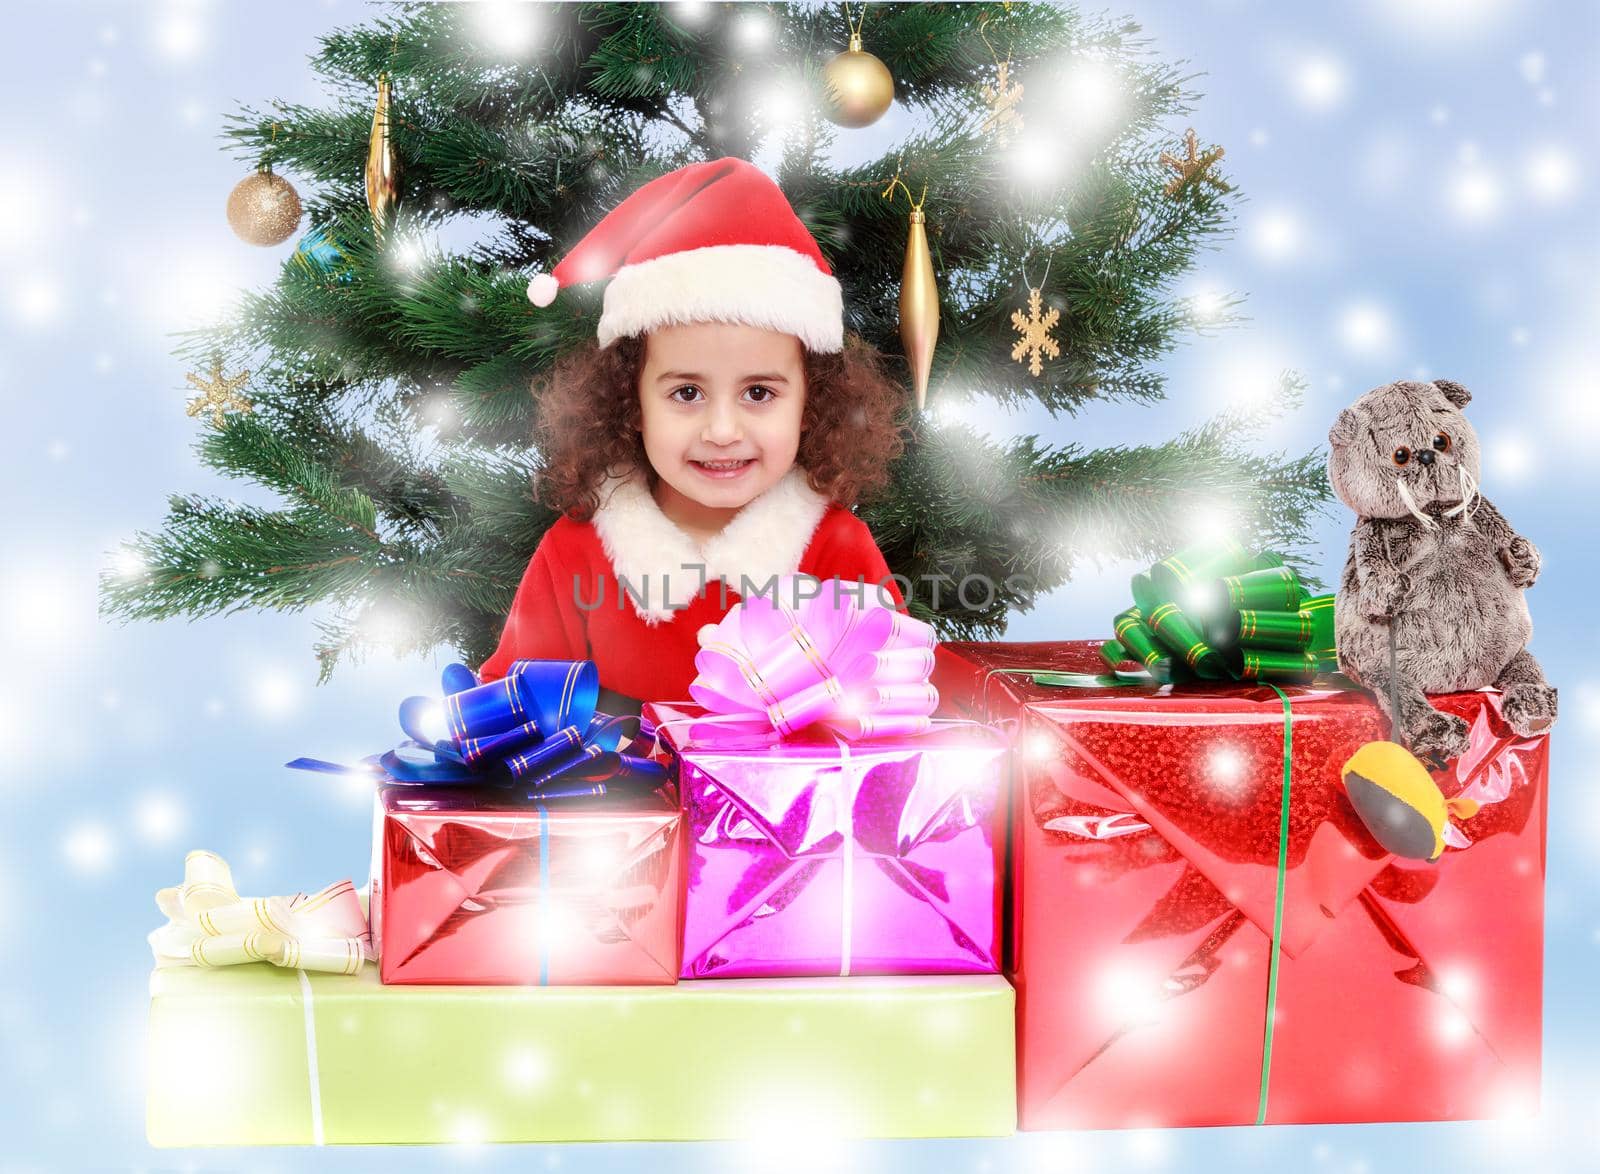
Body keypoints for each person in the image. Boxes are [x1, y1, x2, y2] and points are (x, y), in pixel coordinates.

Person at [477, 157, 908, 702]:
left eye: (759, 393)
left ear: (811, 403)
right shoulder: (574, 551)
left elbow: (896, 701)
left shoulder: (839, 549)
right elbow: (509, 711)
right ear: (630, 400)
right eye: (687, 394)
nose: (723, 431)